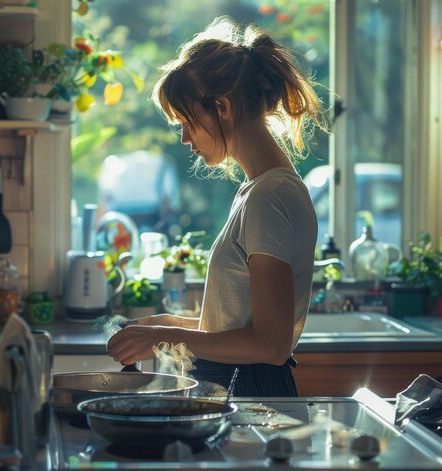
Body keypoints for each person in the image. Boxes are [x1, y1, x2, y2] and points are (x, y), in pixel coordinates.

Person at [107, 16, 328, 397]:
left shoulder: (269, 196)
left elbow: (269, 345)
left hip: (252, 393)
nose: (183, 137)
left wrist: (164, 337)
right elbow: (236, 327)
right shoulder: (258, 189)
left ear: (222, 107)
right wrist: (166, 326)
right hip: (239, 386)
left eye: (186, 121)